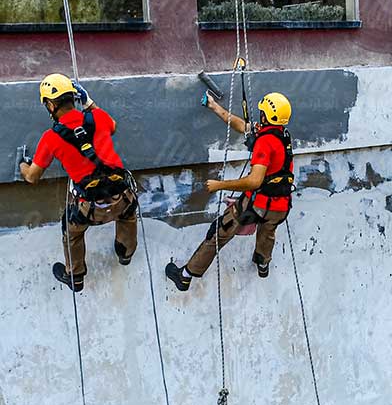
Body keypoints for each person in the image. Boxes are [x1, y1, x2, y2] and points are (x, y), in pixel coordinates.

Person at [19, 74, 137, 292]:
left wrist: (22, 165)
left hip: (89, 208)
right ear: (74, 98)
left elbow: (32, 177)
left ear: (52, 104)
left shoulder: (51, 138)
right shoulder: (98, 117)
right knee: (128, 217)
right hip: (123, 197)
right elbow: (113, 125)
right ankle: (126, 254)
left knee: (71, 231)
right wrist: (90, 103)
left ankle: (75, 275)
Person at [166, 91, 294, 291]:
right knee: (268, 232)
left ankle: (185, 275)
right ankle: (262, 264)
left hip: (257, 204)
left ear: (265, 115)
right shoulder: (282, 135)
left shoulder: (264, 142)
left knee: (220, 231)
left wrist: (219, 185)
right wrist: (214, 106)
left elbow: (254, 181)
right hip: (281, 206)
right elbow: (241, 125)